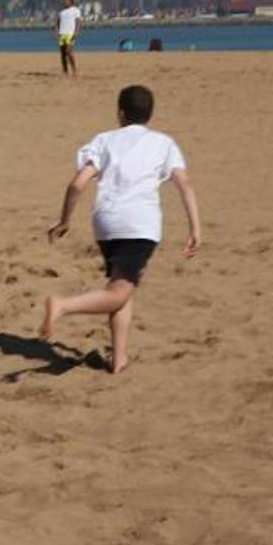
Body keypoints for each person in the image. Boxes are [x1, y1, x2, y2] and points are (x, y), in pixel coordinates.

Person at [39, 85, 201, 374]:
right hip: (140, 225)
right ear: (150, 115)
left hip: (105, 223)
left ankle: (119, 358)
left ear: (120, 113)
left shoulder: (104, 140)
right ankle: (63, 305)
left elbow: (78, 183)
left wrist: (64, 220)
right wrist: (194, 228)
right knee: (119, 293)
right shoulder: (163, 143)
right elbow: (184, 183)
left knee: (122, 286)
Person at [57, 0, 82, 77]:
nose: (65, 2)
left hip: (70, 33)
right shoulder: (61, 12)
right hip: (62, 34)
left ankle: (74, 69)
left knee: (69, 51)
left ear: (71, 1)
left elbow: (78, 22)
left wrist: (76, 32)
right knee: (63, 54)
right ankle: (65, 71)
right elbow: (58, 23)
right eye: (64, 0)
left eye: (67, 0)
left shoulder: (76, 10)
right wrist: (56, 31)